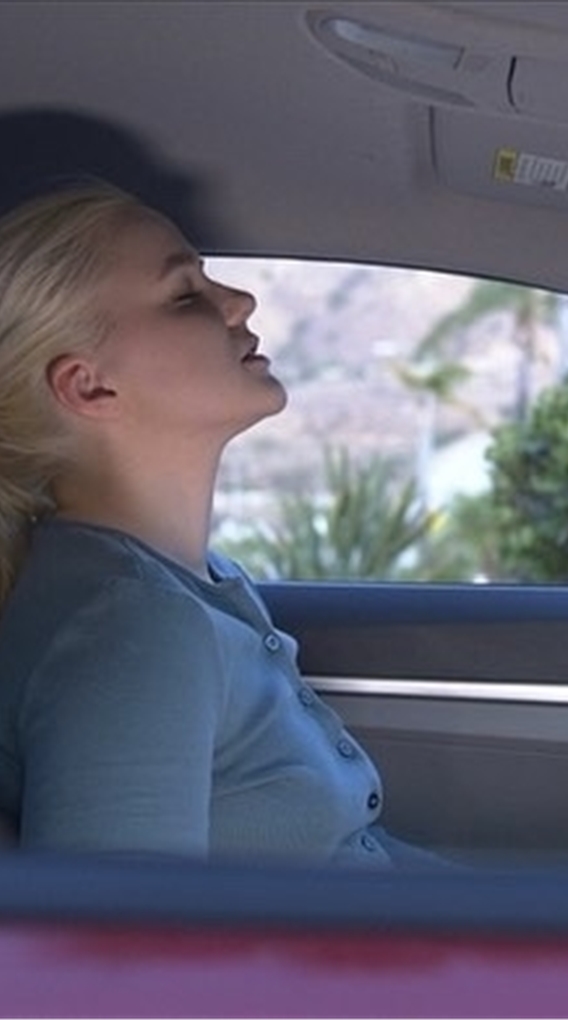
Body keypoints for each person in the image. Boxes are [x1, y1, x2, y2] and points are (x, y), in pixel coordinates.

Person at [0, 180, 437, 866]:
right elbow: (123, 930)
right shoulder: (135, 627)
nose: (240, 302)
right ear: (89, 385)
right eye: (185, 295)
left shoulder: (193, 582)